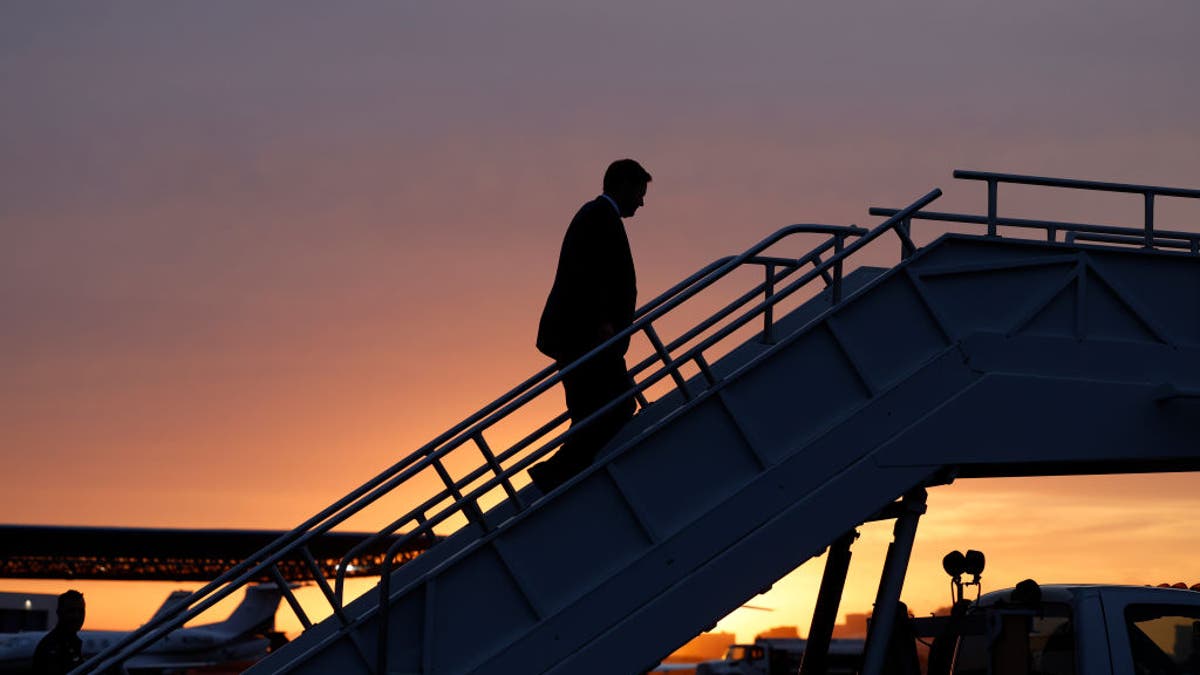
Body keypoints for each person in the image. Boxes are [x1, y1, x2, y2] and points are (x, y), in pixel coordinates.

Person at [531, 159, 652, 494]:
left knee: (592, 411)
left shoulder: (597, 217)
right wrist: (603, 322)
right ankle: (556, 474)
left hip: (585, 337)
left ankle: (562, 475)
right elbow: (589, 275)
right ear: (623, 185)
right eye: (639, 193)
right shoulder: (599, 218)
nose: (641, 202)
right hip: (588, 339)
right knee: (618, 405)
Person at [32, 590, 85, 675]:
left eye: (81, 611)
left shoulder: (71, 643)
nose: (77, 616)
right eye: (71, 611)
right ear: (59, 613)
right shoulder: (51, 646)